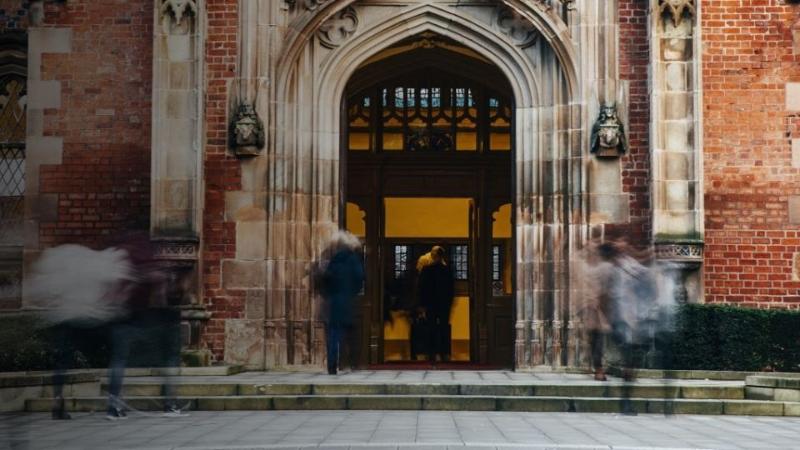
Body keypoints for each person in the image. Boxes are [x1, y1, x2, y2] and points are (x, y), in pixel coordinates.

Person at [317, 231, 365, 375]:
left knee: (334, 336)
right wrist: (352, 293)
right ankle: (353, 363)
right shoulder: (353, 259)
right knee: (352, 335)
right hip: (348, 303)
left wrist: (329, 295)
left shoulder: (334, 260)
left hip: (334, 304)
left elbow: (325, 281)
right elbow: (360, 278)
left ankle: (332, 366)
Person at [417, 245, 454, 362]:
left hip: (430, 303)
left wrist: (422, 305)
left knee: (431, 328)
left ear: (434, 256)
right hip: (444, 304)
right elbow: (451, 289)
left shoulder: (426, 270)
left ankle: (431, 352)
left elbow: (422, 289)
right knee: (443, 327)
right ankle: (445, 353)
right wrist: (449, 302)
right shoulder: (447, 270)